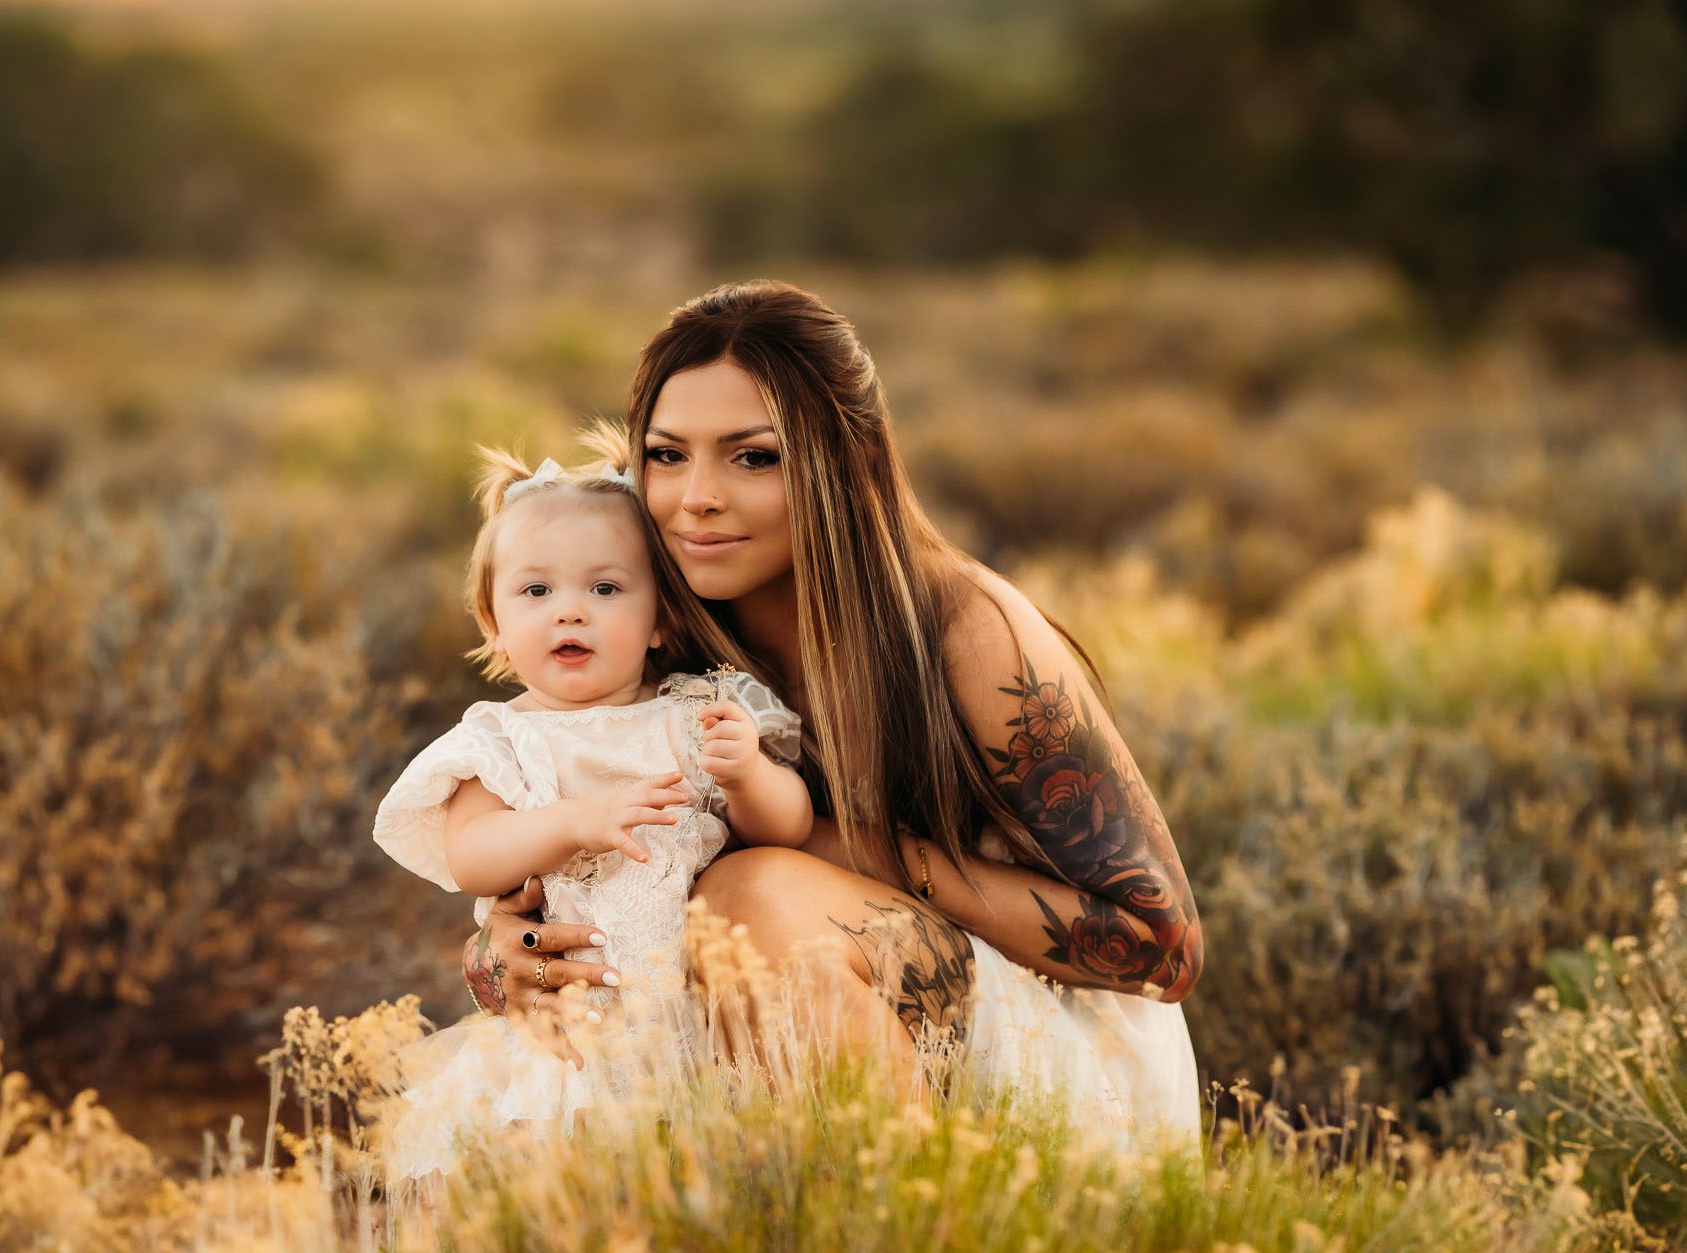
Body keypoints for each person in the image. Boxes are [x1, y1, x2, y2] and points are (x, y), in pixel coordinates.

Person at [460, 279, 1206, 1156]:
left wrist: (823, 840)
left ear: (842, 460)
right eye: (666, 455)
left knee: (749, 898)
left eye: (753, 457)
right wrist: (504, 956)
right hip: (768, 1027)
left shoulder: (965, 629)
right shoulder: (649, 620)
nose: (695, 497)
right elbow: (554, 878)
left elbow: (1161, 949)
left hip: (1049, 1066)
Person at [371, 441, 815, 1186]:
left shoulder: (695, 716)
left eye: (606, 590)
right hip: (570, 1024)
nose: (570, 609)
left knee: (696, 1176)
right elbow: (471, 854)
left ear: (659, 619)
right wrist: (572, 821)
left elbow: (789, 830)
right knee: (551, 1174)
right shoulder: (502, 738)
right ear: (494, 620)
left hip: (696, 1016)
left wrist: (748, 776)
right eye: (535, 592)